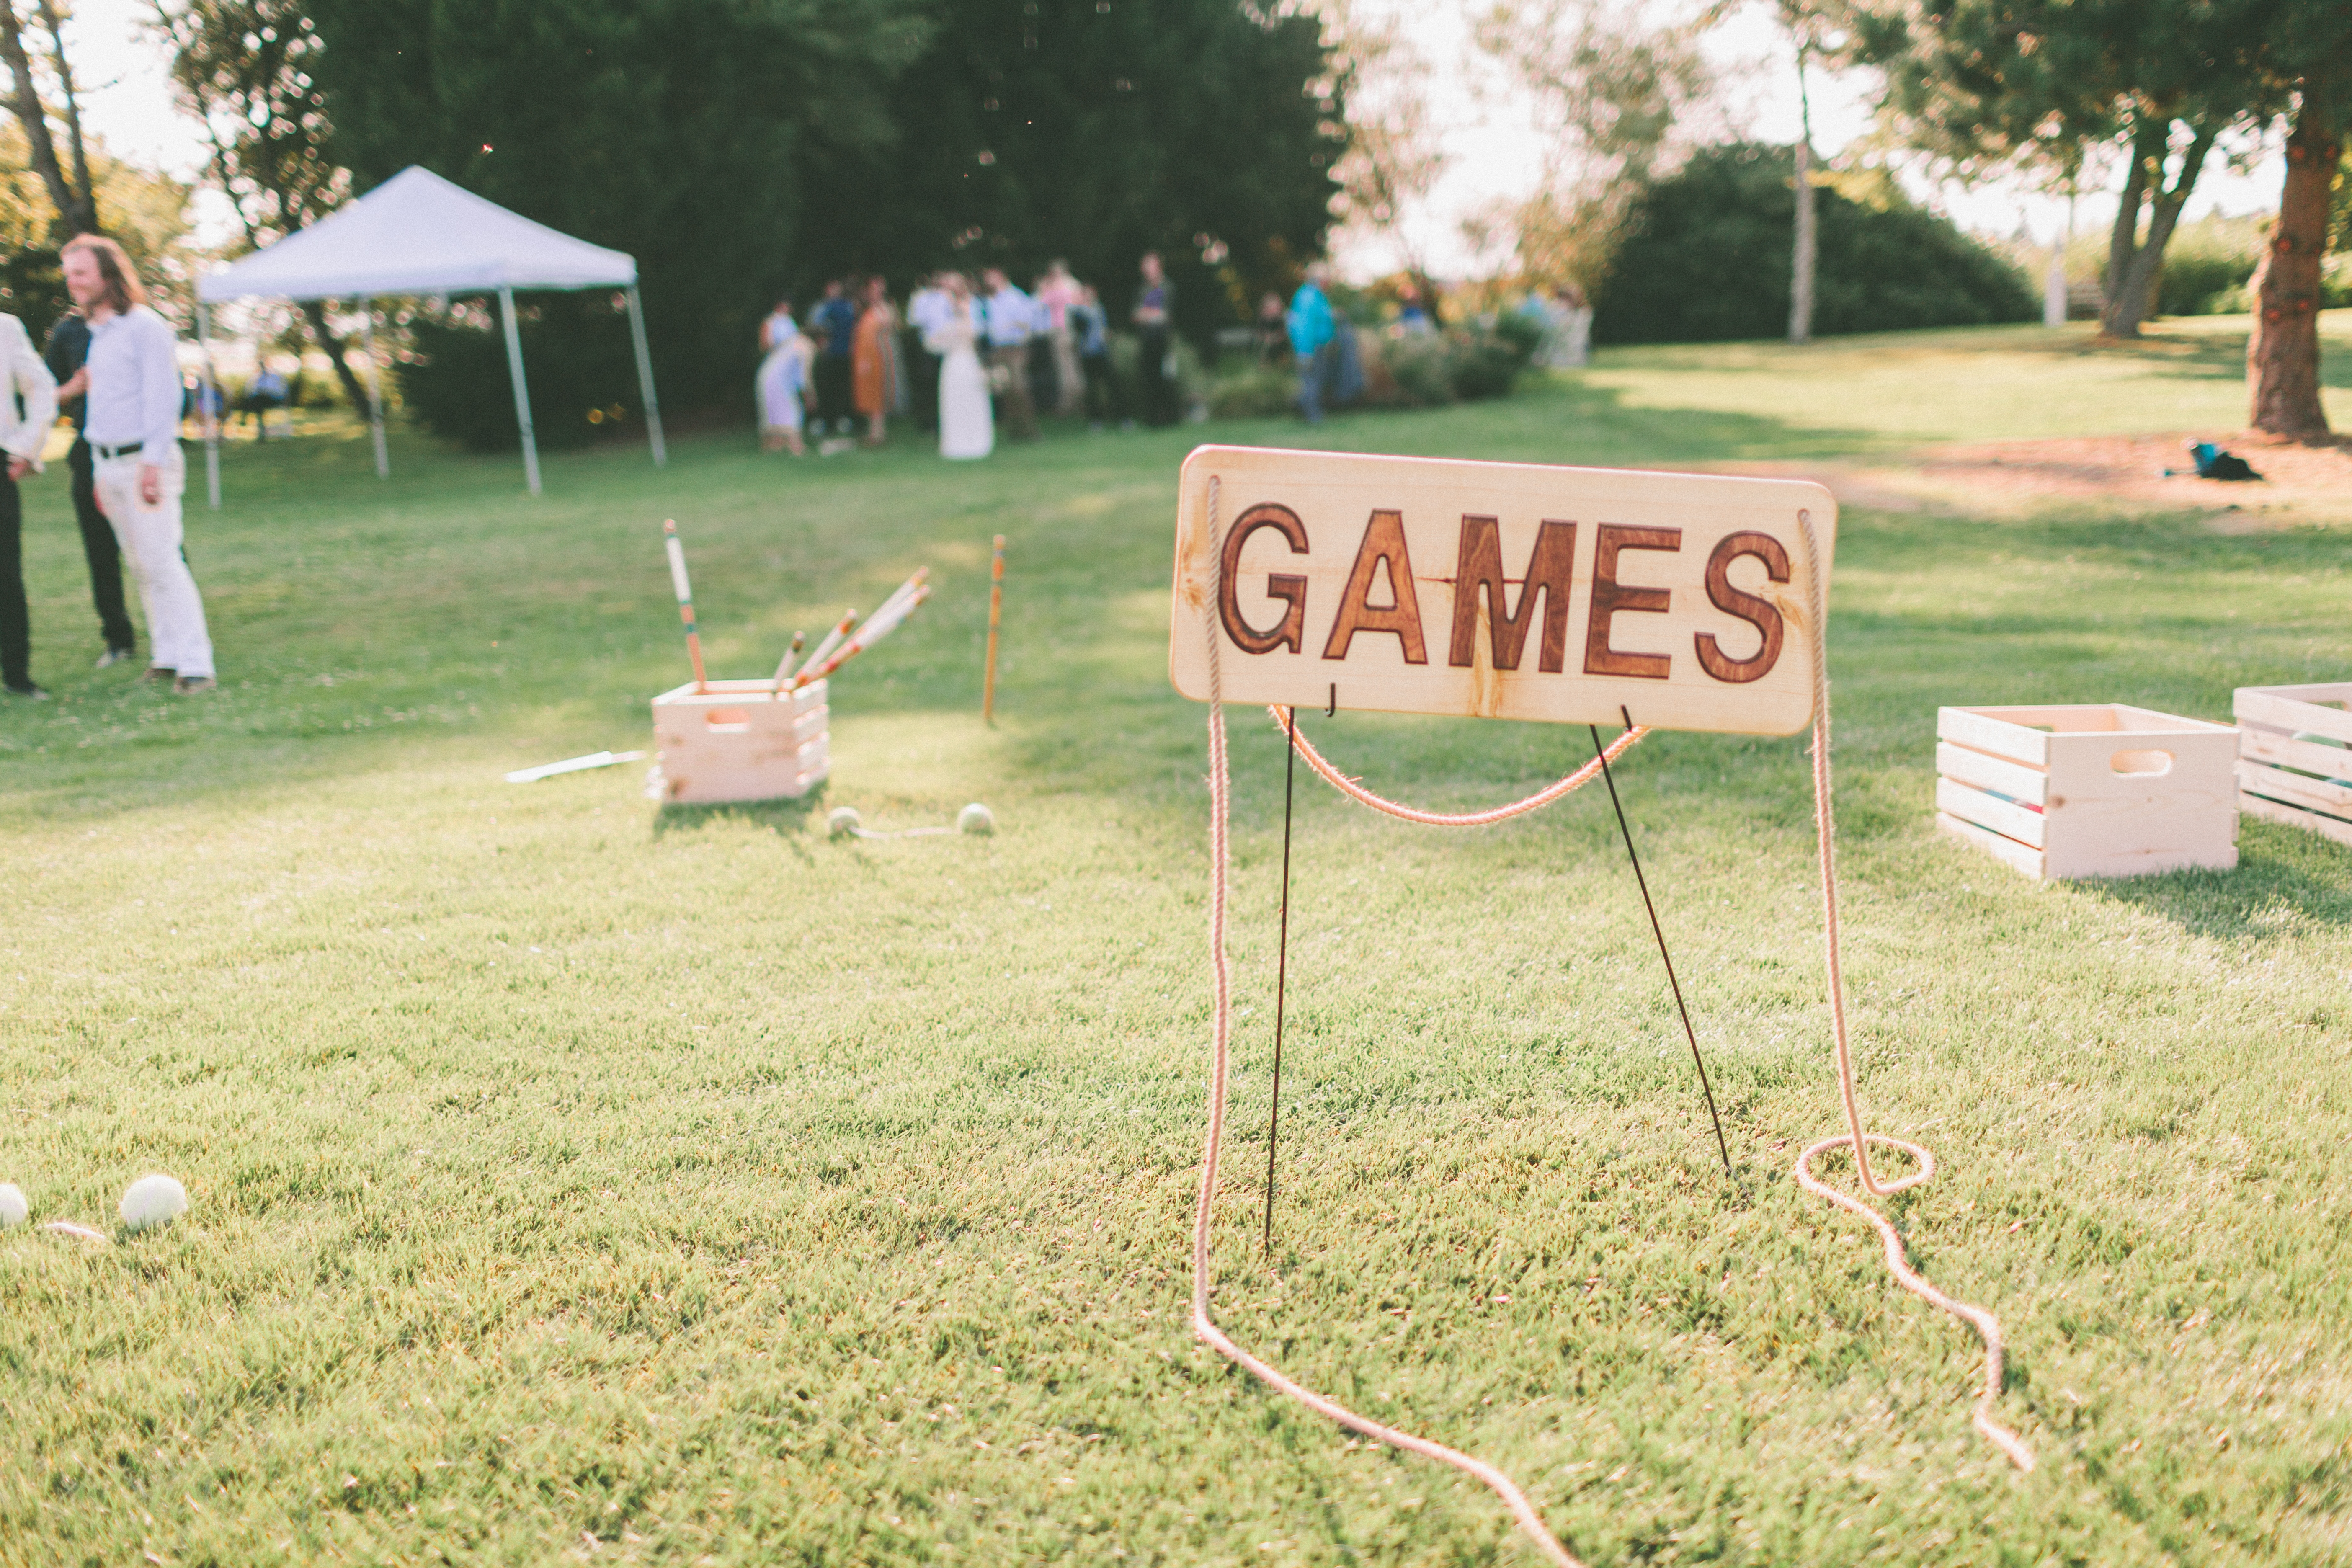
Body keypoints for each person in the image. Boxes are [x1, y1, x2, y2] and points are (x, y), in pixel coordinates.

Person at [62, 233, 215, 694]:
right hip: (107, 465)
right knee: (142, 566)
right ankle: (166, 656)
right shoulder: (97, 334)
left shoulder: (145, 326)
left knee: (164, 561)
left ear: (109, 275)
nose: (74, 283)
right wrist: (97, 470)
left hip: (144, 463)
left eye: (82, 273)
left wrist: (151, 465)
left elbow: (163, 400)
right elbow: (105, 408)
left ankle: (196, 665)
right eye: (69, 275)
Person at [42, 309, 138, 668]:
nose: (74, 284)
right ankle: (118, 638)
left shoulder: (135, 323)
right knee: (100, 548)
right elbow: (43, 394)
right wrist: (74, 389)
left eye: (82, 274)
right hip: (87, 449)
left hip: (134, 447)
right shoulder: (67, 332)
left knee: (159, 545)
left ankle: (175, 629)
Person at [0, 309, 58, 698]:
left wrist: (25, 446)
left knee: (5, 576)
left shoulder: (5, 328)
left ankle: (18, 676)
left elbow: (42, 387)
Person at [927, 274, 993, 460]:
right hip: (952, 361)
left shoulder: (971, 305)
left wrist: (962, 322)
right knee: (953, 400)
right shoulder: (938, 306)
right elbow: (933, 338)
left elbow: (976, 333)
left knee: (971, 399)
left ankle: (974, 441)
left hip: (968, 359)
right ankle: (955, 442)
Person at [978, 268, 1038, 442]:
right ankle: (1015, 433)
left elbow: (1027, 322)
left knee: (1020, 388)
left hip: (1015, 348)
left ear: (1002, 277)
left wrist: (1009, 328)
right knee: (1005, 391)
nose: (988, 281)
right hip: (998, 349)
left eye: (992, 277)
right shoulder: (990, 300)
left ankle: (1030, 432)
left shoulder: (1016, 297)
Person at [755, 299, 809, 455]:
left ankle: (790, 443)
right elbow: (766, 345)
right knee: (776, 409)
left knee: (791, 407)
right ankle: (777, 443)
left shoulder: (789, 322)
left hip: (789, 370)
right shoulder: (770, 322)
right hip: (776, 368)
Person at [1287, 263, 1339, 423]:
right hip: (1311, 349)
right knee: (1311, 382)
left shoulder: (1316, 296)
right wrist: (1305, 352)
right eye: (1325, 278)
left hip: (1318, 347)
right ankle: (1312, 417)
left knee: (1315, 381)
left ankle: (1310, 414)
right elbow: (1303, 327)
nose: (1328, 282)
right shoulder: (1308, 297)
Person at [851, 276, 900, 446]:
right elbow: (862, 336)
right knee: (871, 392)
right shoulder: (865, 310)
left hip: (882, 354)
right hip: (869, 355)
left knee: (882, 391)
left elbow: (893, 324)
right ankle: (874, 433)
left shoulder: (885, 307)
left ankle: (879, 433)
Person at [1132, 252, 1177, 427]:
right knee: (1148, 378)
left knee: (1165, 378)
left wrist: (1147, 314)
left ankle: (1169, 417)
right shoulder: (1142, 290)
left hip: (1162, 339)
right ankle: (1152, 419)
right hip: (1146, 339)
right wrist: (1151, 315)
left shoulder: (1168, 287)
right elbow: (1135, 315)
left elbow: (1165, 315)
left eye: (1150, 267)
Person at [905, 273, 952, 435]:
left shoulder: (947, 297)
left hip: (948, 347)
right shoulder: (919, 298)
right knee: (928, 384)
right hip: (927, 347)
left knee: (946, 383)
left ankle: (946, 420)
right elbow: (914, 320)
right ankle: (929, 421)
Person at [1036, 260, 1083, 415]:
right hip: (1056, 331)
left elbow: (1078, 305)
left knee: (1073, 367)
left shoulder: (1071, 284)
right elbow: (1040, 304)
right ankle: (1068, 403)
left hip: (1069, 330)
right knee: (1062, 369)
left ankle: (1078, 401)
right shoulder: (1050, 287)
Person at [812, 280, 858, 436]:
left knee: (844, 387)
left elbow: (854, 327)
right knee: (826, 387)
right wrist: (822, 340)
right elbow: (814, 326)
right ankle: (823, 420)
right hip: (829, 354)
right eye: (832, 288)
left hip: (845, 353)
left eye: (837, 288)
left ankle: (842, 418)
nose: (835, 291)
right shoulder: (822, 306)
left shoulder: (848, 305)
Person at [1071, 284, 1115, 431]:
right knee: (1092, 388)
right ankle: (1096, 420)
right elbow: (1079, 330)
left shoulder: (1099, 309)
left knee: (1112, 383)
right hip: (1087, 353)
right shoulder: (1078, 312)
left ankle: (1120, 416)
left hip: (1102, 351)